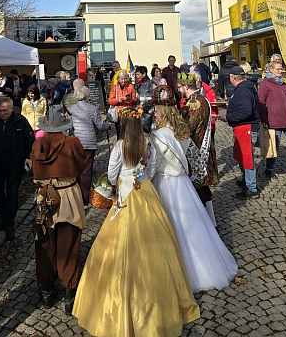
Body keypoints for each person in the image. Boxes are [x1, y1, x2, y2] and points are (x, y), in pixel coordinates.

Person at [73, 108, 200, 336]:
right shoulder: (148, 142)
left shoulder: (120, 146)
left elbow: (112, 175)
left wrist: (122, 179)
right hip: (145, 191)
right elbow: (150, 169)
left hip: (126, 193)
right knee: (159, 238)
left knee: (119, 243)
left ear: (124, 125)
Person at [151, 89, 238, 292]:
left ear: (162, 111)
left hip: (165, 183)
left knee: (170, 227)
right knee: (192, 227)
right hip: (183, 183)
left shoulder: (158, 136)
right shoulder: (182, 130)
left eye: (156, 110)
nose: (154, 114)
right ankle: (206, 266)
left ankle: (174, 271)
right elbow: (192, 158)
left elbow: (153, 166)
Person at [30, 107, 86, 315]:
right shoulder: (72, 143)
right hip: (68, 195)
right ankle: (69, 293)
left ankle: (46, 290)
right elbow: (81, 166)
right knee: (68, 243)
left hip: (44, 198)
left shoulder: (37, 145)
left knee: (45, 243)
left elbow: (34, 169)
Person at [0, 97, 35, 241]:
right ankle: (4, 217)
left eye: (5, 110)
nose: (2, 113)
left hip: (14, 164)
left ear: (11, 109)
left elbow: (30, 140)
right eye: (0, 111)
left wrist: (28, 157)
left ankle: (9, 222)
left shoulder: (21, 122)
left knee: (12, 193)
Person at [177, 73, 218, 223]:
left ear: (186, 86)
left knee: (199, 187)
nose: (178, 89)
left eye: (180, 87)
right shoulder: (203, 98)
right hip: (204, 149)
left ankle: (203, 223)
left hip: (197, 151)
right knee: (204, 188)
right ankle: (211, 220)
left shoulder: (193, 103)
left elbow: (187, 128)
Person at [258, 60, 286, 180]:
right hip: (273, 121)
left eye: (281, 68)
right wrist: (263, 119)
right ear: (271, 70)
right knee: (274, 147)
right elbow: (261, 102)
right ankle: (269, 169)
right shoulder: (265, 84)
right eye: (278, 69)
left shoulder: (283, 84)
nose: (280, 71)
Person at [69, 86, 109, 207]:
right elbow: (100, 126)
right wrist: (107, 125)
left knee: (76, 169)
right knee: (86, 171)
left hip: (75, 142)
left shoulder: (71, 108)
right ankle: (85, 200)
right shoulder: (92, 108)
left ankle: (75, 198)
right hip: (88, 142)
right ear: (87, 96)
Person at [226, 67, 260, 199]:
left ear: (232, 78)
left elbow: (245, 110)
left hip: (245, 127)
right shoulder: (245, 88)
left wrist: (229, 117)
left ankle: (252, 188)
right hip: (243, 127)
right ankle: (247, 180)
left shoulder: (242, 91)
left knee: (247, 159)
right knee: (242, 157)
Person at [108, 70, 137, 138]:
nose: (124, 80)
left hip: (129, 113)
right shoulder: (114, 87)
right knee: (120, 133)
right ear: (118, 79)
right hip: (118, 114)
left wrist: (130, 99)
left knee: (129, 134)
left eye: (125, 78)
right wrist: (118, 100)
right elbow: (110, 101)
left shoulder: (131, 87)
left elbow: (134, 101)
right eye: (122, 79)